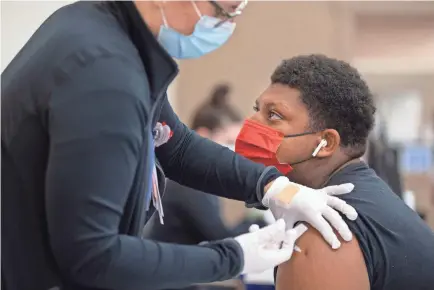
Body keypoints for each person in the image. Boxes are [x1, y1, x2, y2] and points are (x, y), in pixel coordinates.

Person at [1, 2, 356, 290]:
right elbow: (93, 256)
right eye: (224, 12)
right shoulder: (106, 76)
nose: (227, 25)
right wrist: (233, 257)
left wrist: (272, 186)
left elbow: (176, 144)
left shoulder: (102, 28)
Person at [237, 54, 434, 290]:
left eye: (274, 115)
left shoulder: (323, 232)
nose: (251, 123)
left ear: (326, 143)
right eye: (256, 110)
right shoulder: (372, 196)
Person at [145, 84, 267, 247]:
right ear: (203, 135)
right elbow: (221, 239)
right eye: (229, 142)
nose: (235, 151)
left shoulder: (199, 185)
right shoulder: (186, 187)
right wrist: (259, 221)